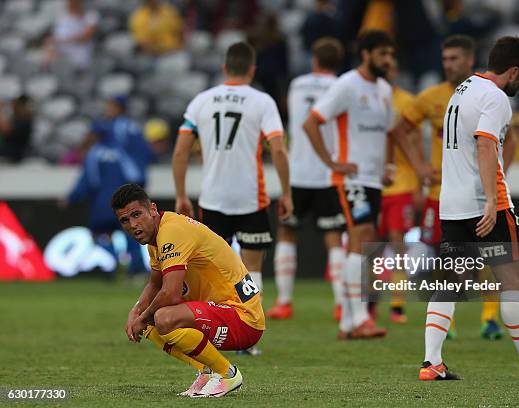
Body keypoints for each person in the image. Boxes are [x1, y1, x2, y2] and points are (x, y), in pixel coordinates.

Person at [417, 36, 519, 381]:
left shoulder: (463, 89)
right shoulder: (496, 98)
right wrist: (490, 199)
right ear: (514, 70)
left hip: (451, 204)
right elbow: (486, 145)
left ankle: (432, 363)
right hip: (489, 206)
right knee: (512, 283)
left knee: (448, 285)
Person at [391, 35, 504, 340]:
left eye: (454, 58)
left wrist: (500, 174)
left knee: (486, 255)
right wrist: (419, 168)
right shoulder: (430, 97)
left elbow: (510, 139)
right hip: (440, 193)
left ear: (470, 60)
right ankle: (448, 322)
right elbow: (401, 129)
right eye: (445, 59)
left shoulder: (487, 94)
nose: (448, 64)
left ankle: (489, 319)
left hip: (478, 191)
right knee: (445, 257)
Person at [172, 42, 292, 327]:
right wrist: (286, 192)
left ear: (225, 68)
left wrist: (180, 195)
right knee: (252, 268)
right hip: (251, 197)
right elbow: (277, 149)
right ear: (252, 69)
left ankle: (216, 327)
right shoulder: (263, 102)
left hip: (213, 198)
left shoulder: (202, 100)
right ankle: (250, 335)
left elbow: (180, 151)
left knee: (214, 270)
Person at [111, 183, 264, 397]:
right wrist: (136, 311)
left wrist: (143, 316)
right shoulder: (158, 235)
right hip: (219, 311)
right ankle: (207, 371)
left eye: (137, 215)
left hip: (244, 320)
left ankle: (228, 374)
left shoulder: (172, 231)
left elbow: (171, 293)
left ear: (152, 209)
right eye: (125, 220)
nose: (133, 225)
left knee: (162, 316)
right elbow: (155, 283)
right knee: (148, 320)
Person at [303, 29, 394, 340]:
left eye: (391, 54)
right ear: (366, 54)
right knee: (361, 236)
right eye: (383, 53)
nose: (388, 60)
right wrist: (331, 162)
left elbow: (389, 132)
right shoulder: (346, 85)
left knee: (365, 242)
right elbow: (311, 121)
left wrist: (388, 166)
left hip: (374, 179)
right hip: (351, 177)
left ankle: (347, 324)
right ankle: (357, 319)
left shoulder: (384, 89)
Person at [267, 37, 346, 320]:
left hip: (297, 171)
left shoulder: (297, 84)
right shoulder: (342, 86)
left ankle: (284, 301)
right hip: (329, 173)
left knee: (287, 233)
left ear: (314, 59)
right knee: (334, 238)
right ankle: (341, 304)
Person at [375, 57, 421, 324]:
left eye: (390, 66)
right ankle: (368, 306)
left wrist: (417, 183)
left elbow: (414, 143)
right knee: (371, 247)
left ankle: (397, 306)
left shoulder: (407, 103)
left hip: (401, 183)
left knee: (398, 245)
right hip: (371, 182)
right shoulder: (364, 98)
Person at [64, 129, 146, 275]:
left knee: (100, 235)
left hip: (102, 204)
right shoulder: (121, 152)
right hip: (124, 201)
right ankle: (135, 269)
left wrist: (71, 198)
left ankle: (113, 265)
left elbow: (88, 181)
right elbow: (137, 176)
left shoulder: (94, 153)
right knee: (132, 234)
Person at [45, 0, 98, 69]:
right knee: (49, 46)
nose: (70, 3)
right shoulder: (62, 17)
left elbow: (86, 37)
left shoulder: (90, 16)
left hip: (79, 54)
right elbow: (54, 39)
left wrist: (61, 40)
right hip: (60, 53)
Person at [0, 96, 33, 163]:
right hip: (8, 152)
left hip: (15, 154)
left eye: (16, 105)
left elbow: (5, 129)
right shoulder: (16, 118)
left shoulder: (25, 120)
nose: (14, 107)